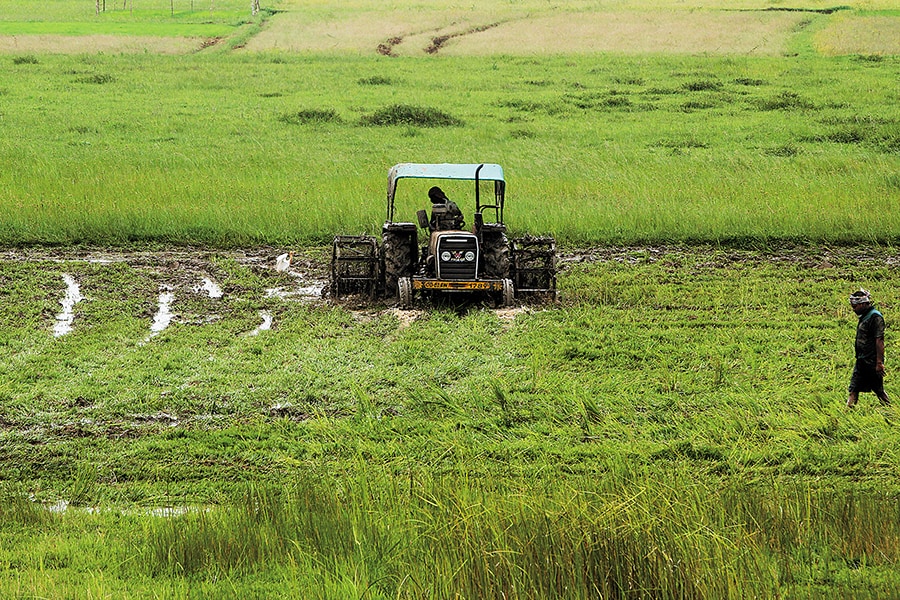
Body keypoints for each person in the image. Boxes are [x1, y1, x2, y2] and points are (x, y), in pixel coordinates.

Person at [847, 289, 890, 408]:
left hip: (871, 361)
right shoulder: (864, 316)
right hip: (861, 360)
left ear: (864, 304)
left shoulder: (875, 317)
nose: (853, 309)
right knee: (853, 388)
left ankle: (891, 411)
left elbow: (879, 340)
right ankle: (847, 414)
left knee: (879, 390)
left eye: (855, 306)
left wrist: (879, 362)